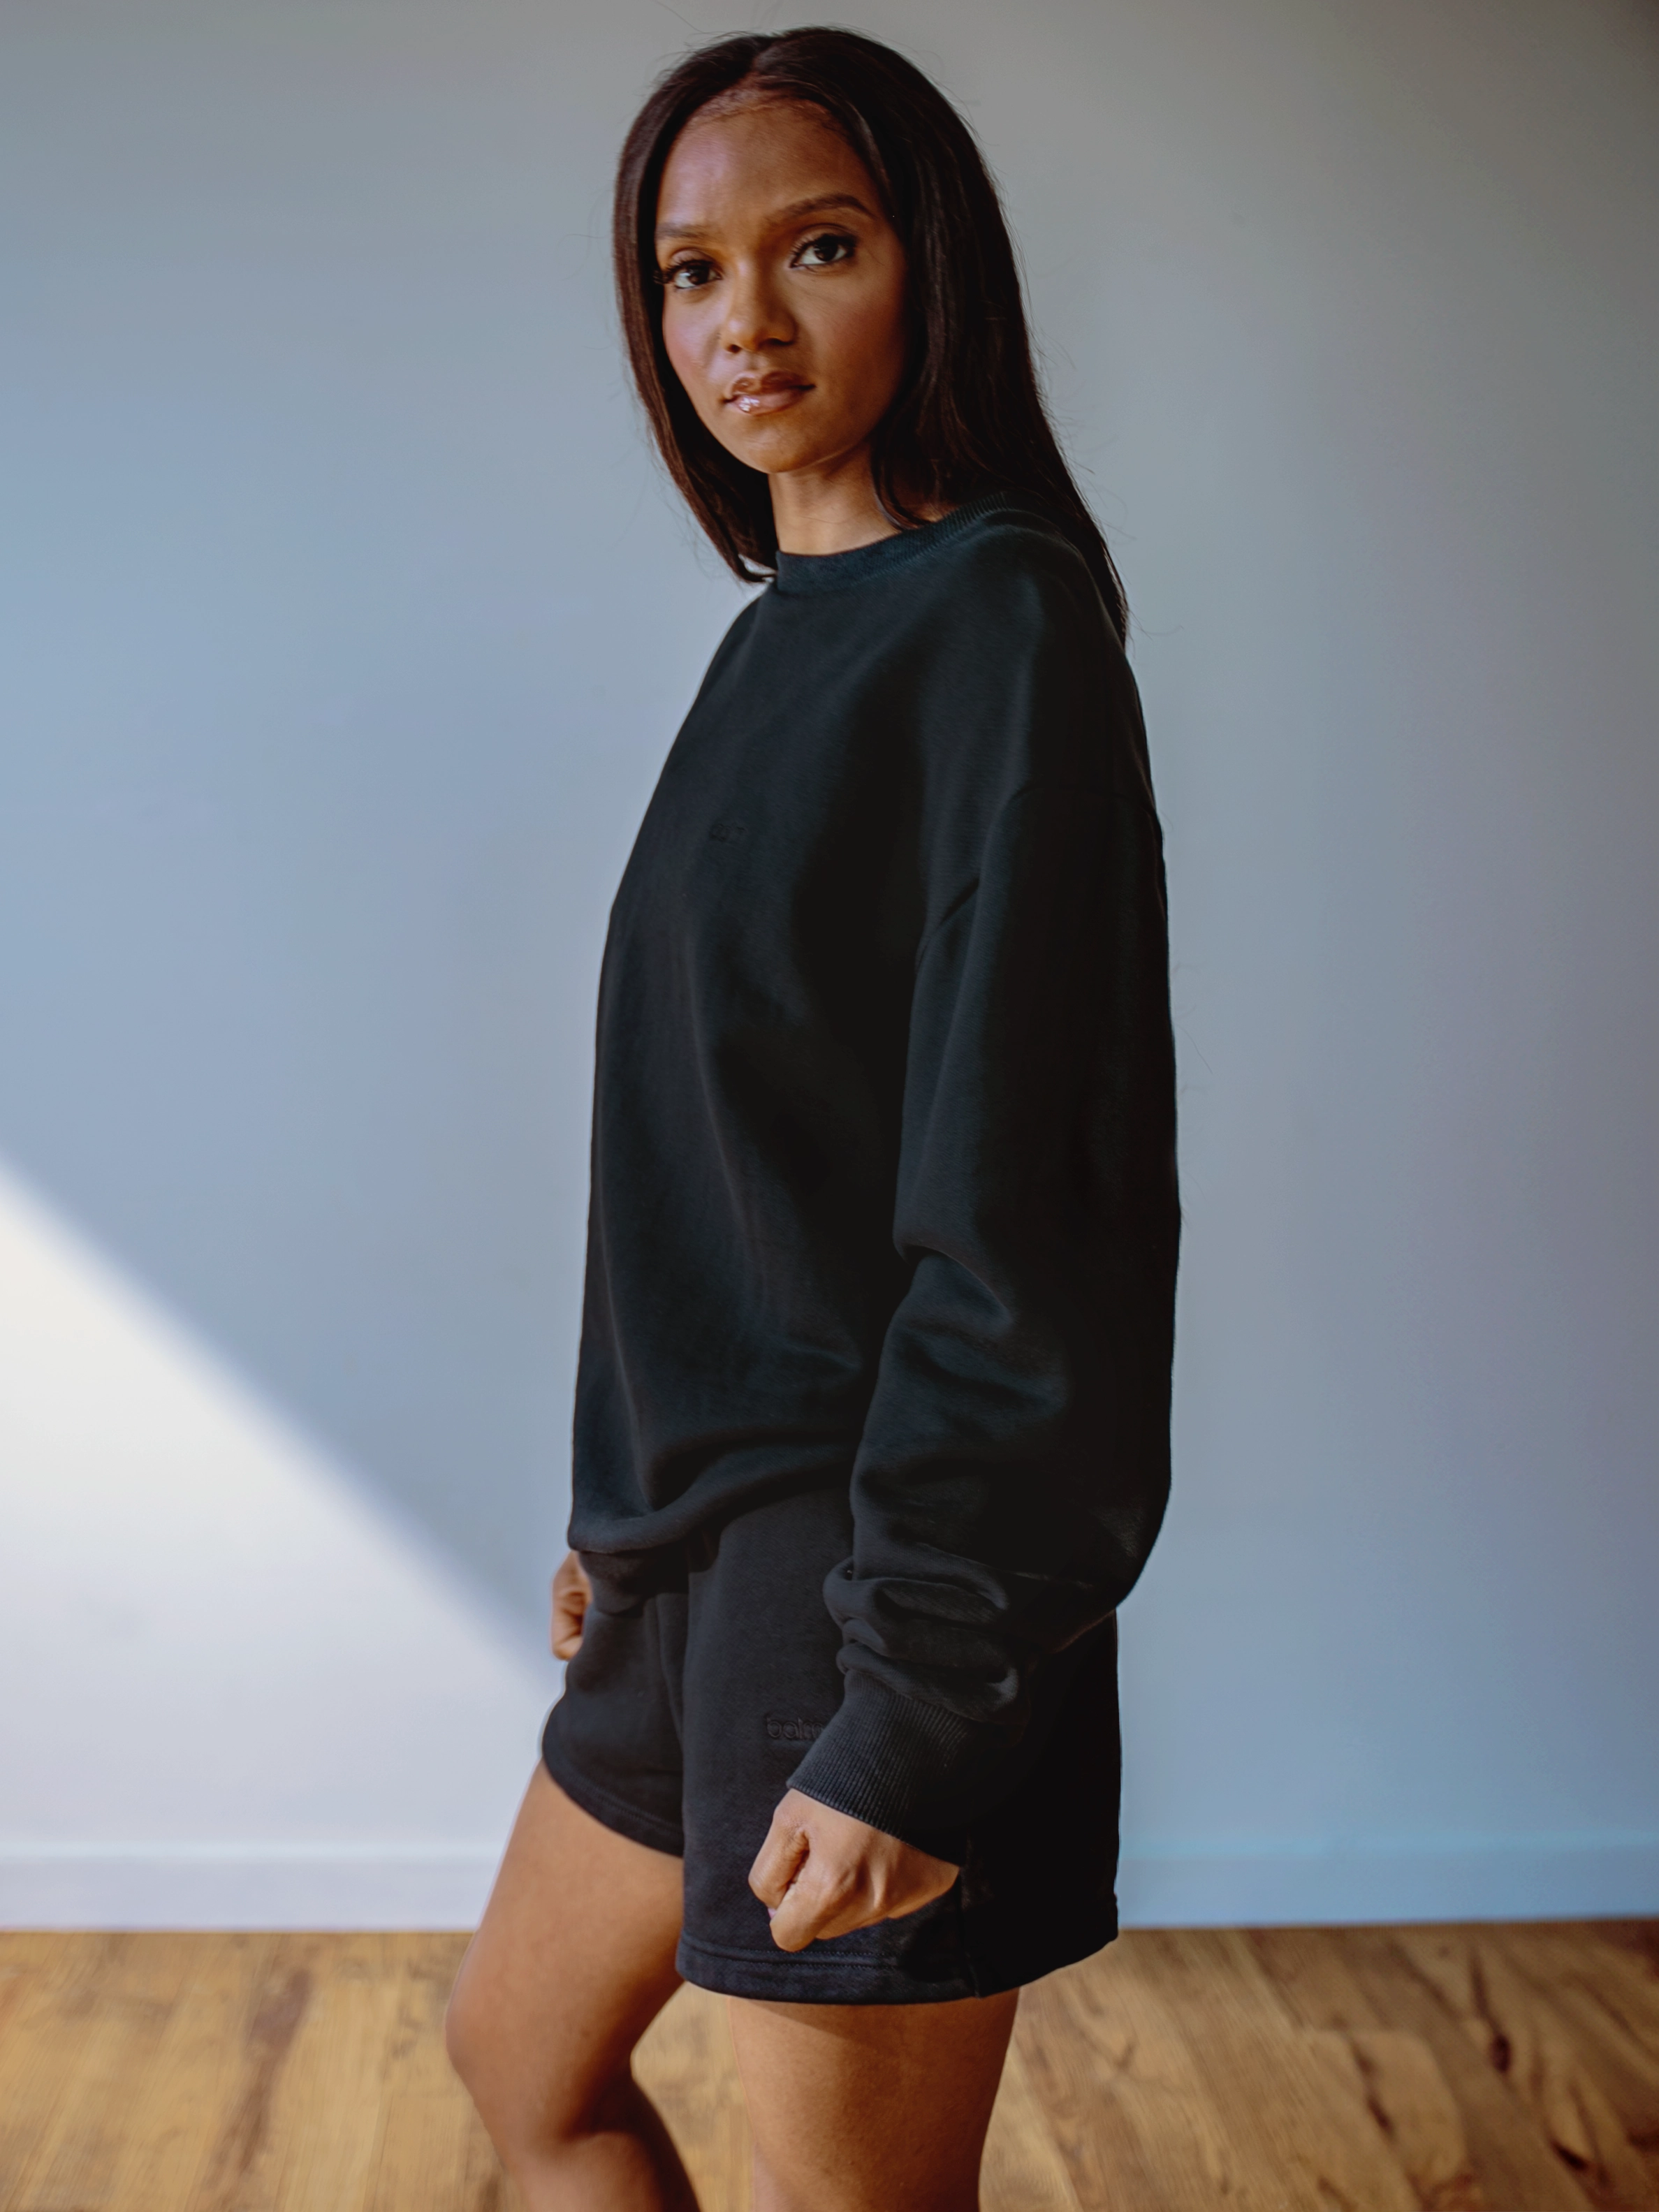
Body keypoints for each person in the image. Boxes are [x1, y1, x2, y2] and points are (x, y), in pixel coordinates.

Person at [445, 27, 1179, 2212]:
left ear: (925, 265)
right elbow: (709, 1143)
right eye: (685, 274)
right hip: (703, 1548)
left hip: (877, 1573)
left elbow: (1024, 1208)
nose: (738, 323)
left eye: (816, 248)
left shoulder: (999, 624)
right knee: (522, 2065)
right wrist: (625, 1493)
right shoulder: (790, 629)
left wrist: (921, 1706)